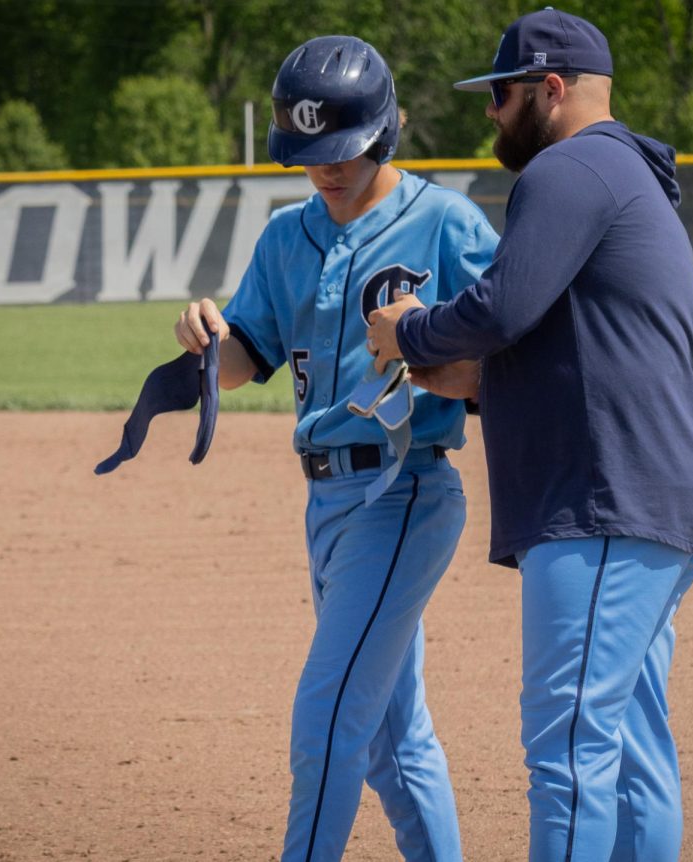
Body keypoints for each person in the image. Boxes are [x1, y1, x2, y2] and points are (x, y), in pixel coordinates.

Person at [365, 8, 693, 861]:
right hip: (654, 500)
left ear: (553, 89)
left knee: (568, 753)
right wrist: (479, 379)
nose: (491, 112)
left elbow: (503, 306)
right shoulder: (624, 174)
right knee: (633, 753)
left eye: (502, 94)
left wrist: (412, 332)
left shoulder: (569, 169)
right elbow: (574, 351)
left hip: (606, 503)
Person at [173, 36, 499, 862]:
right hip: (324, 503)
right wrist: (209, 340)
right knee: (393, 737)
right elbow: (248, 354)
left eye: (342, 149)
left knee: (326, 718)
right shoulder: (287, 238)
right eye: (308, 153)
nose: (325, 168)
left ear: (385, 131)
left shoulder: (445, 223)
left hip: (405, 492)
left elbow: (514, 350)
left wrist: (438, 365)